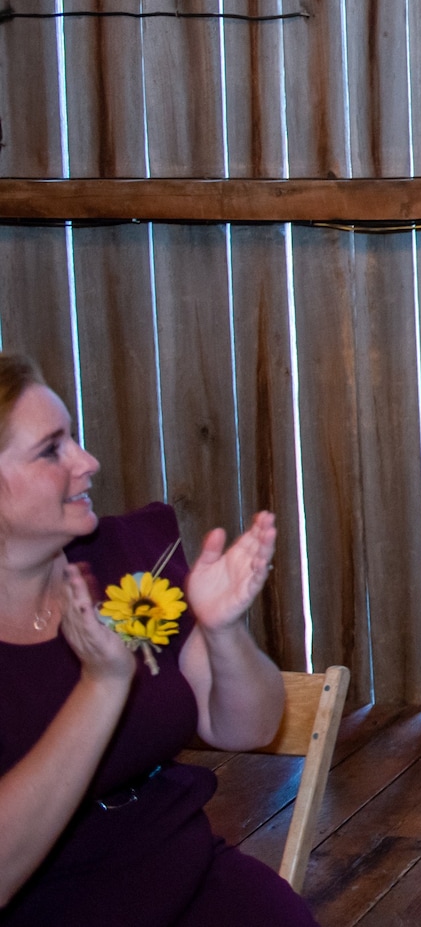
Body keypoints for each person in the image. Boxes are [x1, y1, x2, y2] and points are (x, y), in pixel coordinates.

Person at [0, 353, 315, 926]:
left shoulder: (124, 562)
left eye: (74, 438)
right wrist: (102, 686)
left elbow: (249, 727)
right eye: (52, 450)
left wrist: (223, 632)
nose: (87, 462)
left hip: (192, 882)